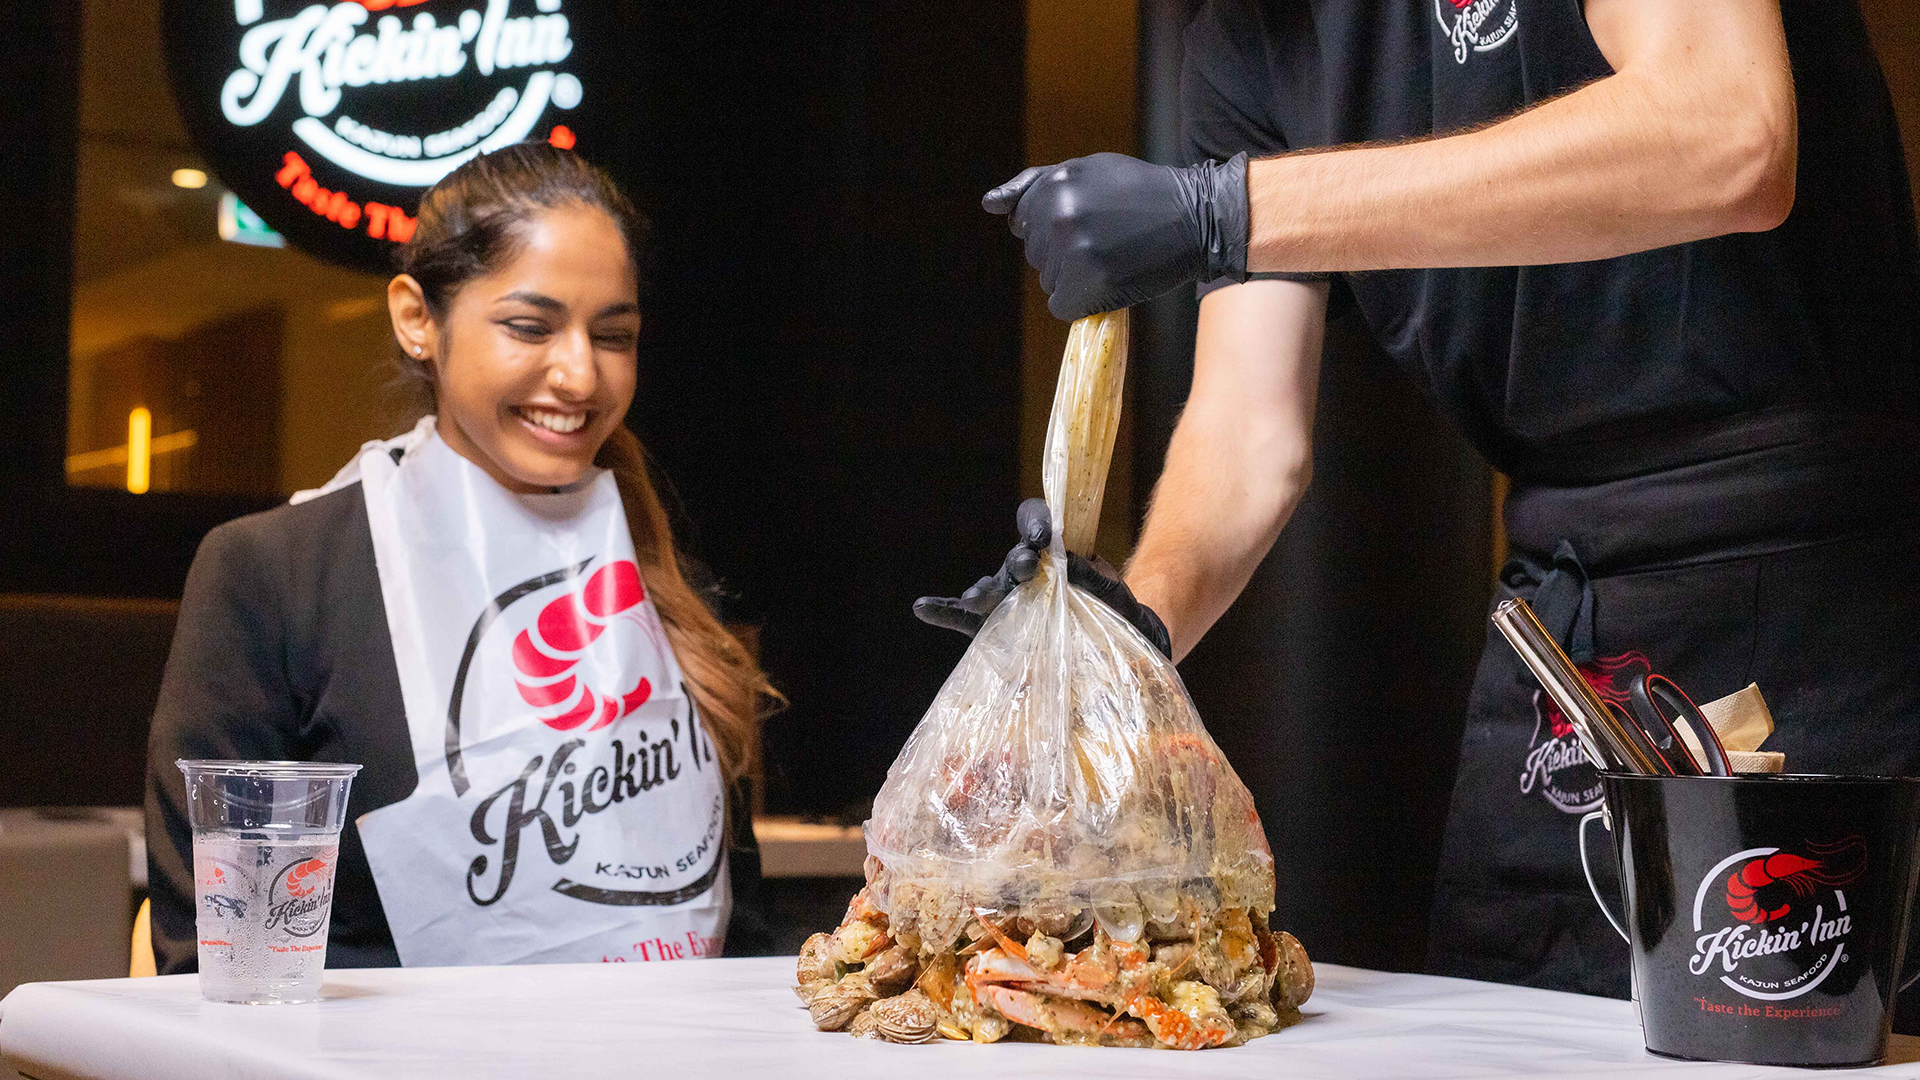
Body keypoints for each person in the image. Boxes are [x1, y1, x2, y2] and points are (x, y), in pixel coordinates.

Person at [920, 0, 1920, 999]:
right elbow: (1249, 441)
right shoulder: (1242, 45)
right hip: (1563, 628)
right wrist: (1129, 631)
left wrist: (1226, 211)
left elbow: (1729, 133)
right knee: (1501, 1039)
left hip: (1815, 581)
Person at [145, 143, 780, 972]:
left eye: (614, 335)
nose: (579, 374)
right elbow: (213, 951)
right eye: (529, 327)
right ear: (418, 318)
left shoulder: (662, 579)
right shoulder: (272, 576)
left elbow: (743, 931)